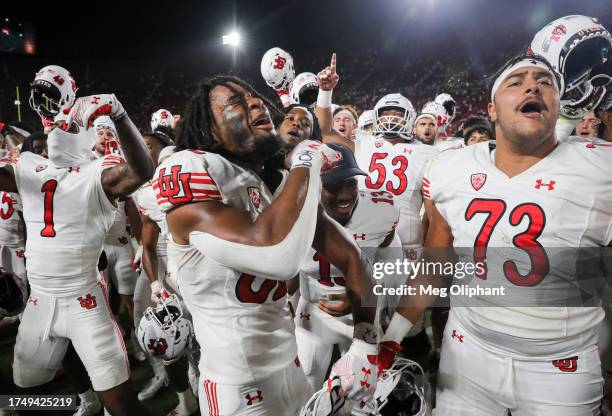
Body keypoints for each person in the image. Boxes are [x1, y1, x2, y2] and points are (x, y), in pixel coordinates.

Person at [379, 54, 611, 415]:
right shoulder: (451, 168)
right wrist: (390, 338)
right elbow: (433, 268)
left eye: (544, 81)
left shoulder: (600, 170)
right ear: (492, 109)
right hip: (466, 355)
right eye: (516, 82)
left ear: (559, 104)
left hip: (561, 368)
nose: (532, 85)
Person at [154, 75, 379, 415]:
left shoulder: (275, 183)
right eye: (236, 103)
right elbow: (277, 255)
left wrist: (364, 344)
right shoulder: (190, 166)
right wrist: (307, 162)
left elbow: (351, 255)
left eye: (255, 99)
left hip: (292, 368)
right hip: (237, 390)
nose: (255, 104)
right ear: (209, 130)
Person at [2, 93, 154, 415]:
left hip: (84, 299)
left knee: (121, 403)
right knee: (22, 393)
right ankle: (85, 401)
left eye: (67, 123)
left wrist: (121, 116)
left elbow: (141, 171)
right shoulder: (31, 165)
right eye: (56, 122)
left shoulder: (97, 172)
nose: (58, 126)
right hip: (39, 300)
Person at [295, 142, 400, 392]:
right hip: (314, 310)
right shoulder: (297, 211)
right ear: (314, 186)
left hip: (362, 313)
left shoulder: (381, 210)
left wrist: (362, 294)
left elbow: (392, 264)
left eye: (350, 183)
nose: (344, 195)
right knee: (306, 381)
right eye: (332, 186)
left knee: (363, 389)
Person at [132, 132, 199, 415]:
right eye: (166, 166)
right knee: (167, 336)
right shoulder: (150, 194)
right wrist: (156, 282)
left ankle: (201, 385)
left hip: (200, 275)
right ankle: (185, 399)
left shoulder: (202, 190)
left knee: (205, 344)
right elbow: (147, 243)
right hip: (170, 271)